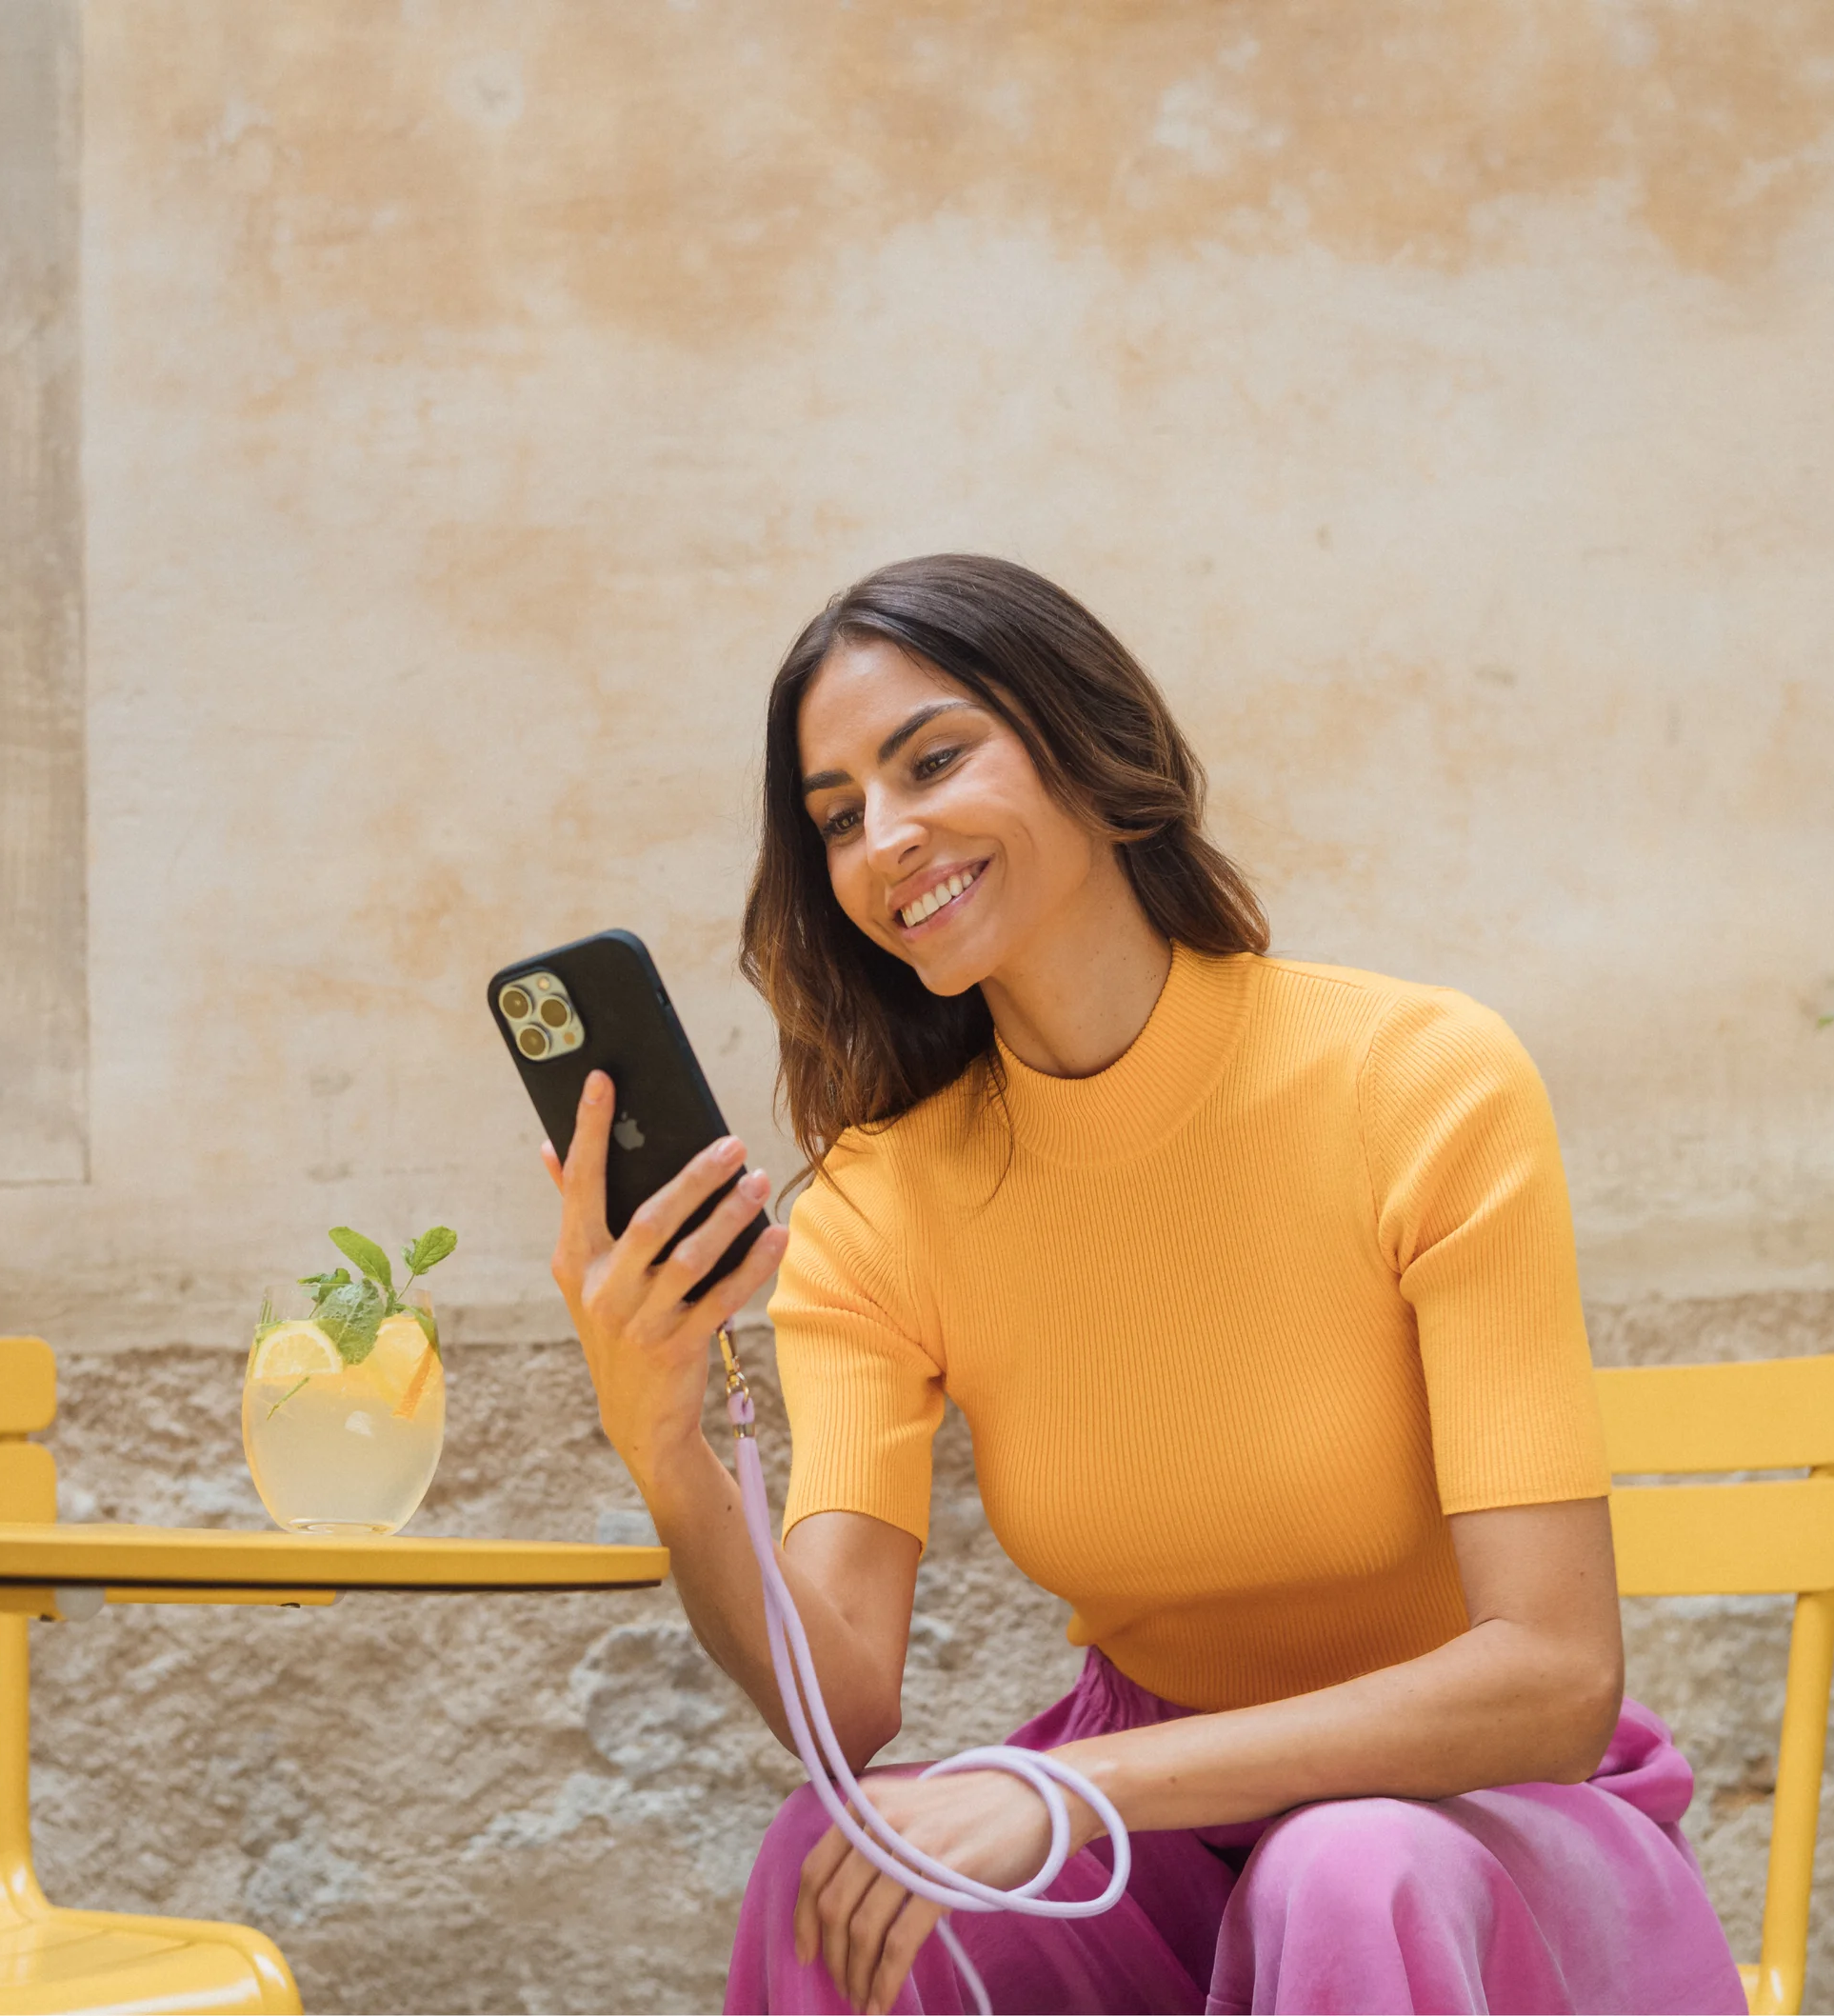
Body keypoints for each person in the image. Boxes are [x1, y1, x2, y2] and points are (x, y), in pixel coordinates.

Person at [536, 554, 1744, 2016]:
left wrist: (1072, 1789)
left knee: (1345, 1868)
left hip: (1479, 1827)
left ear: (1092, 749)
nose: (889, 838)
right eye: (841, 817)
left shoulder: (1419, 1082)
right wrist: (665, 1449)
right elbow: (842, 1701)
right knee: (833, 1859)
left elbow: (1551, 1681)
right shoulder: (879, 1204)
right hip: (1159, 1846)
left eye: (933, 760)